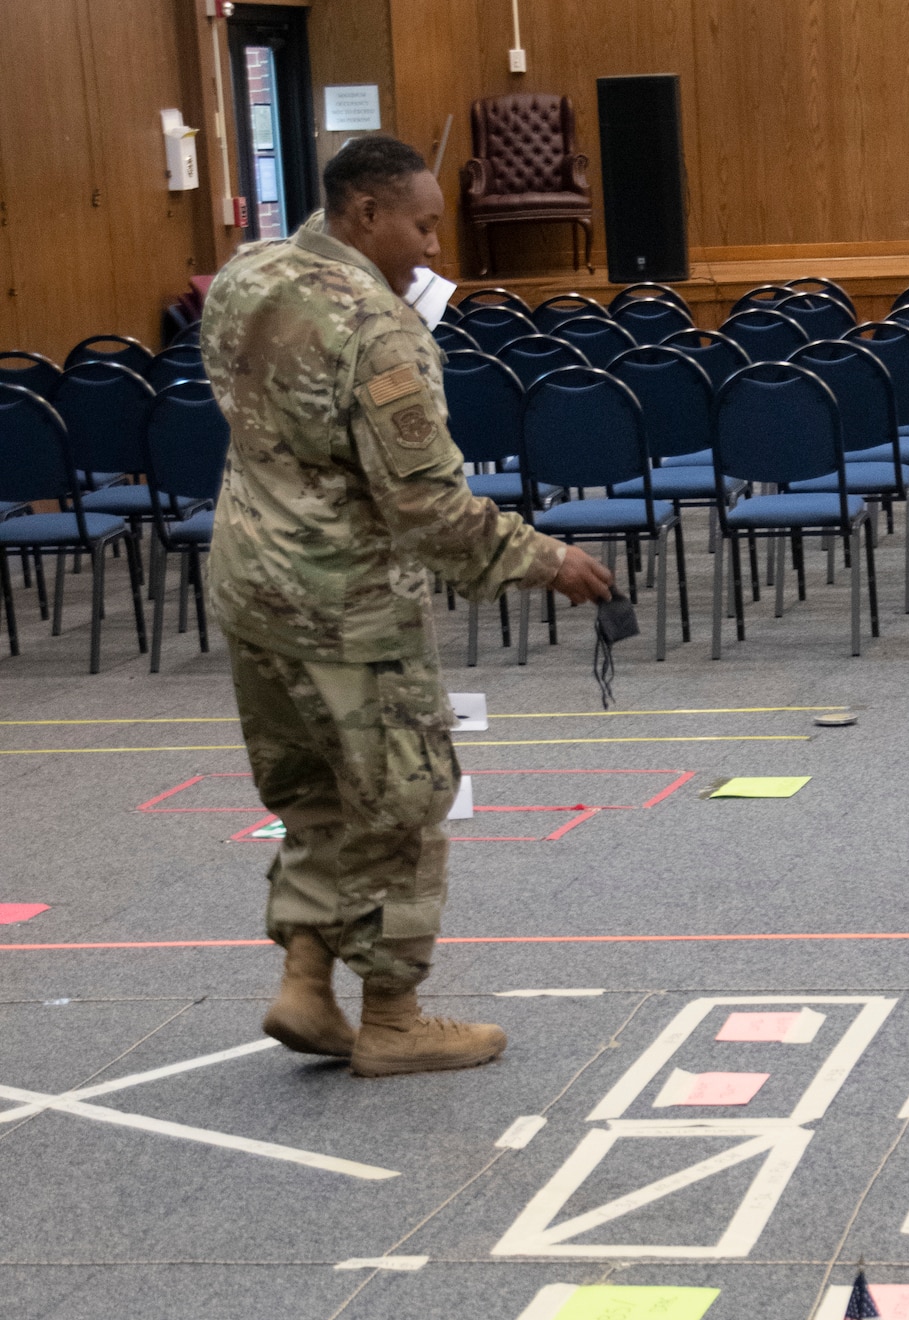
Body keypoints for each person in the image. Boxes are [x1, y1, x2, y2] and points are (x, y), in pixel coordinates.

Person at [201, 135, 612, 1077]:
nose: (434, 247)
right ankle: (392, 1016)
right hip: (349, 607)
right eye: (422, 225)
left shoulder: (246, 275)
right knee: (402, 799)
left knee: (313, 795)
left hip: (250, 589)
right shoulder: (379, 331)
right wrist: (546, 561)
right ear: (365, 215)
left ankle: (305, 985)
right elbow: (427, 505)